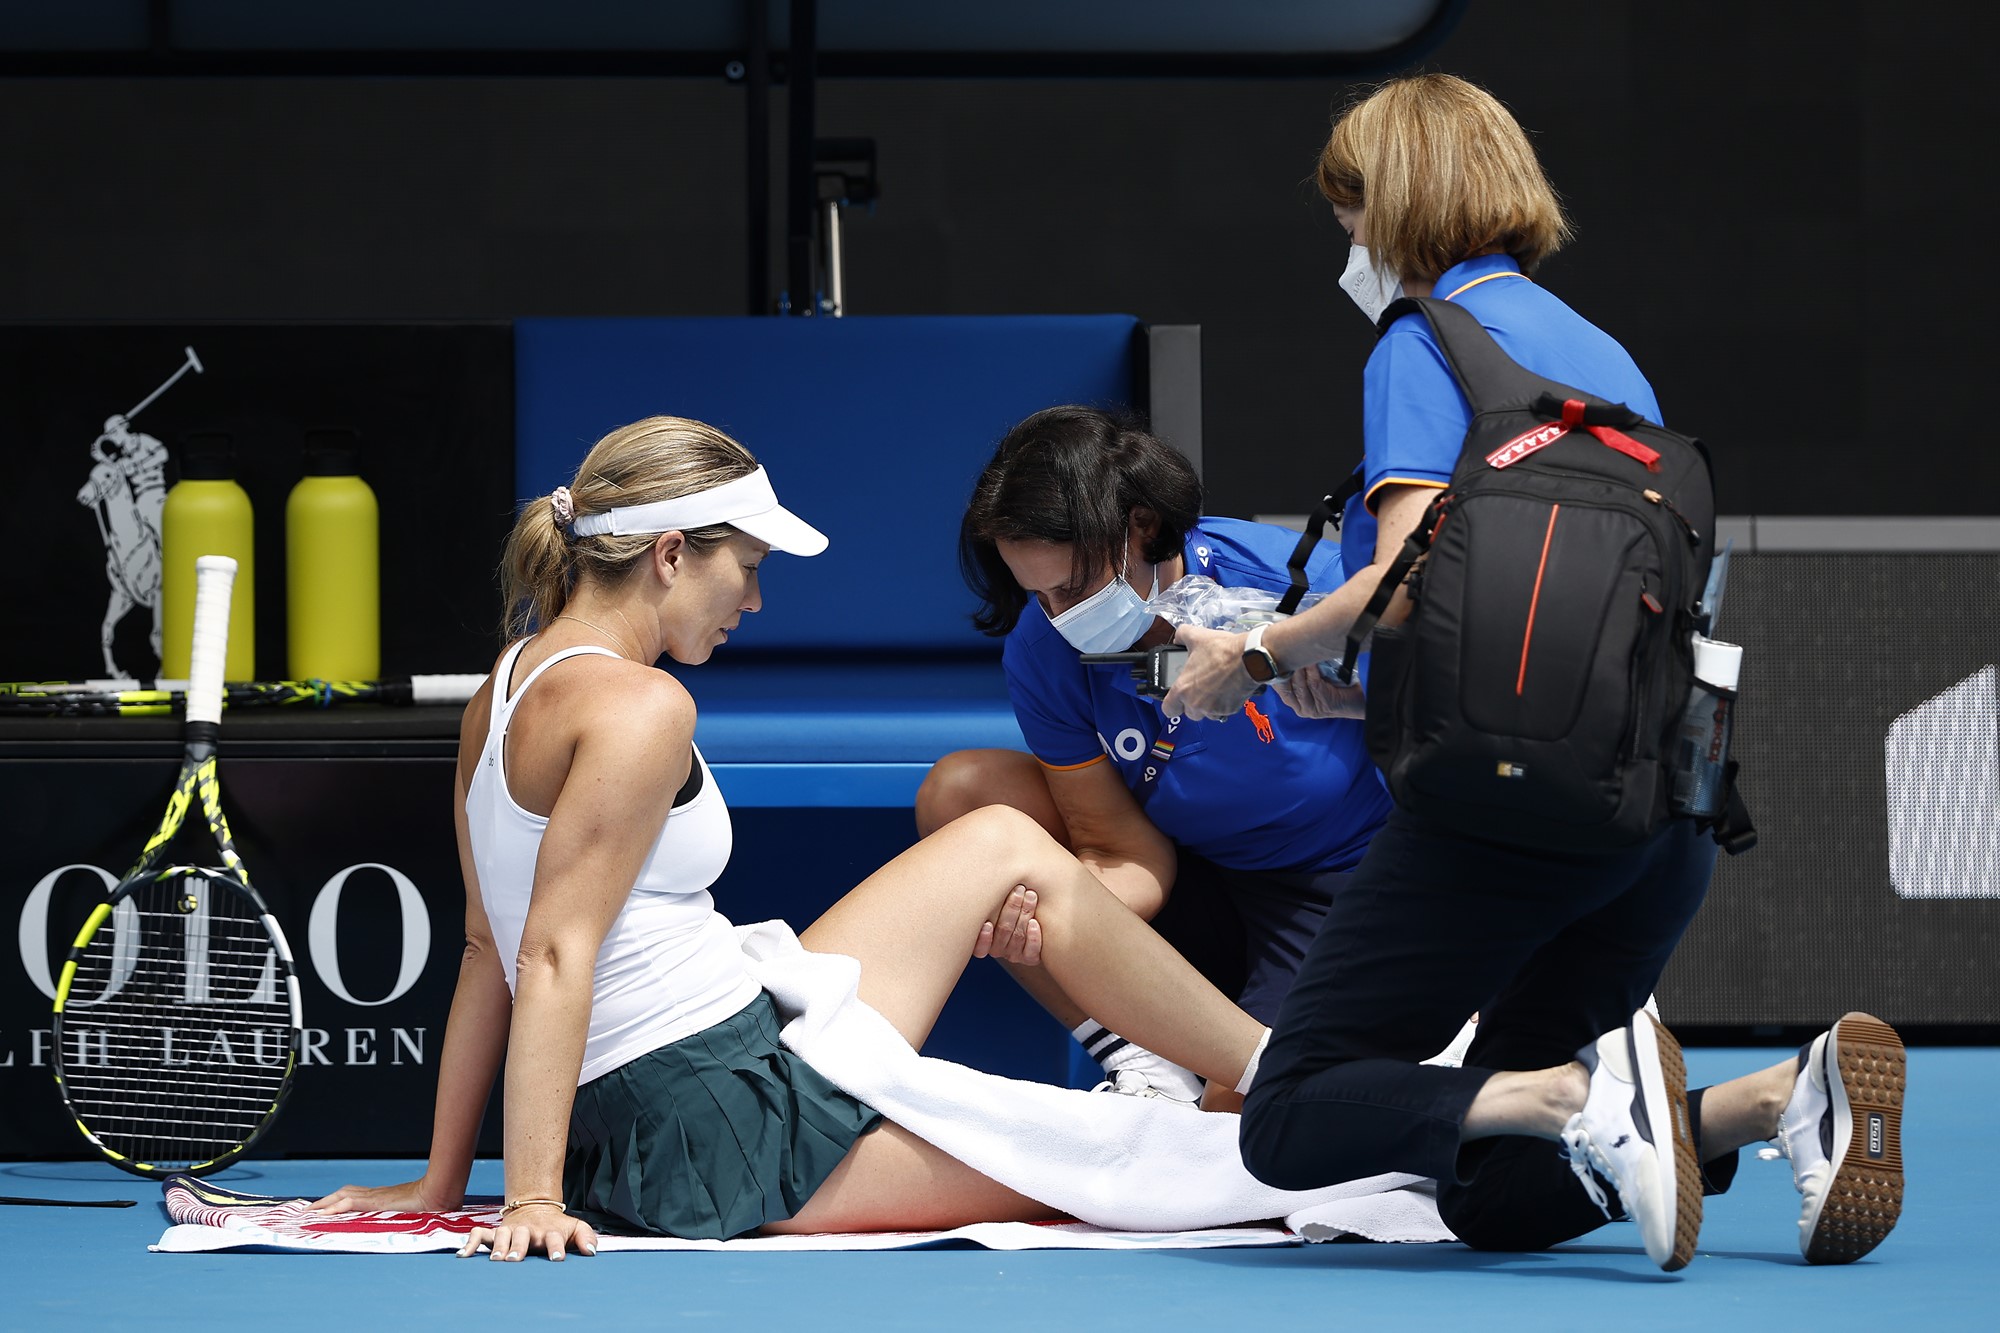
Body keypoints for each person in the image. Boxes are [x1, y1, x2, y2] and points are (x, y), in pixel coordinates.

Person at [1162, 74, 1906, 1270]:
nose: (1344, 240)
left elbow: (1404, 579)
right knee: (1495, 1198)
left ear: (1387, 205)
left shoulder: (1422, 344)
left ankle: (1576, 1097)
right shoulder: (1606, 356)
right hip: (1658, 819)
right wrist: (1364, 684)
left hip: (1496, 818)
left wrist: (1250, 655)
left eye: (1347, 211)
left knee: (1291, 1115)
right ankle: (1770, 1099)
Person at [310, 415, 1281, 1261]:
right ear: (670, 553)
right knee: (1146, 1165)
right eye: (750, 568)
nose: (755, 601)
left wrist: (442, 1182)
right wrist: (528, 1198)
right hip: (724, 1123)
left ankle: (1272, 1068)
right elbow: (550, 951)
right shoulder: (642, 708)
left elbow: (487, 948)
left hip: (717, 1057)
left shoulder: (506, 679)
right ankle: (1291, 1088)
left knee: (997, 839)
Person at [921, 405, 1395, 1108]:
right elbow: (1117, 848)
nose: (1059, 617)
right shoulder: (1041, 648)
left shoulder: (1305, 585)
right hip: (1185, 871)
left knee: (1238, 1124)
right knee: (963, 793)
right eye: (1038, 594)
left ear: (1140, 525)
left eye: (1074, 589)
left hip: (1334, 881)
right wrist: (1042, 917)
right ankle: (1141, 1058)